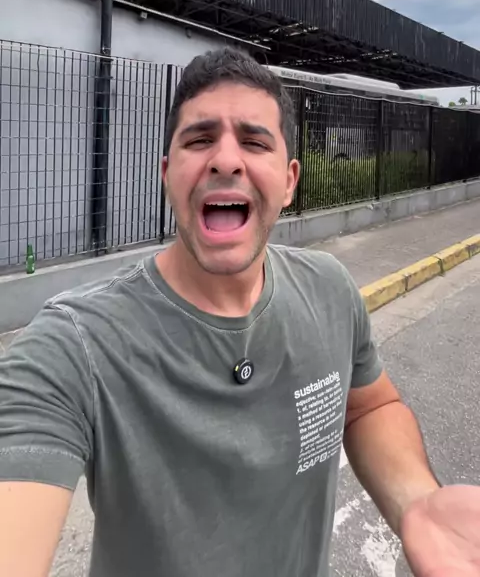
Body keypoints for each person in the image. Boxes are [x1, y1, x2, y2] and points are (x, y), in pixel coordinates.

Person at [0, 47, 479, 577]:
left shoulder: (330, 290)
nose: (226, 160)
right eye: (199, 139)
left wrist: (417, 503)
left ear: (290, 181)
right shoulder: (73, 346)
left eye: (254, 141)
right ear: (167, 175)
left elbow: (368, 408)